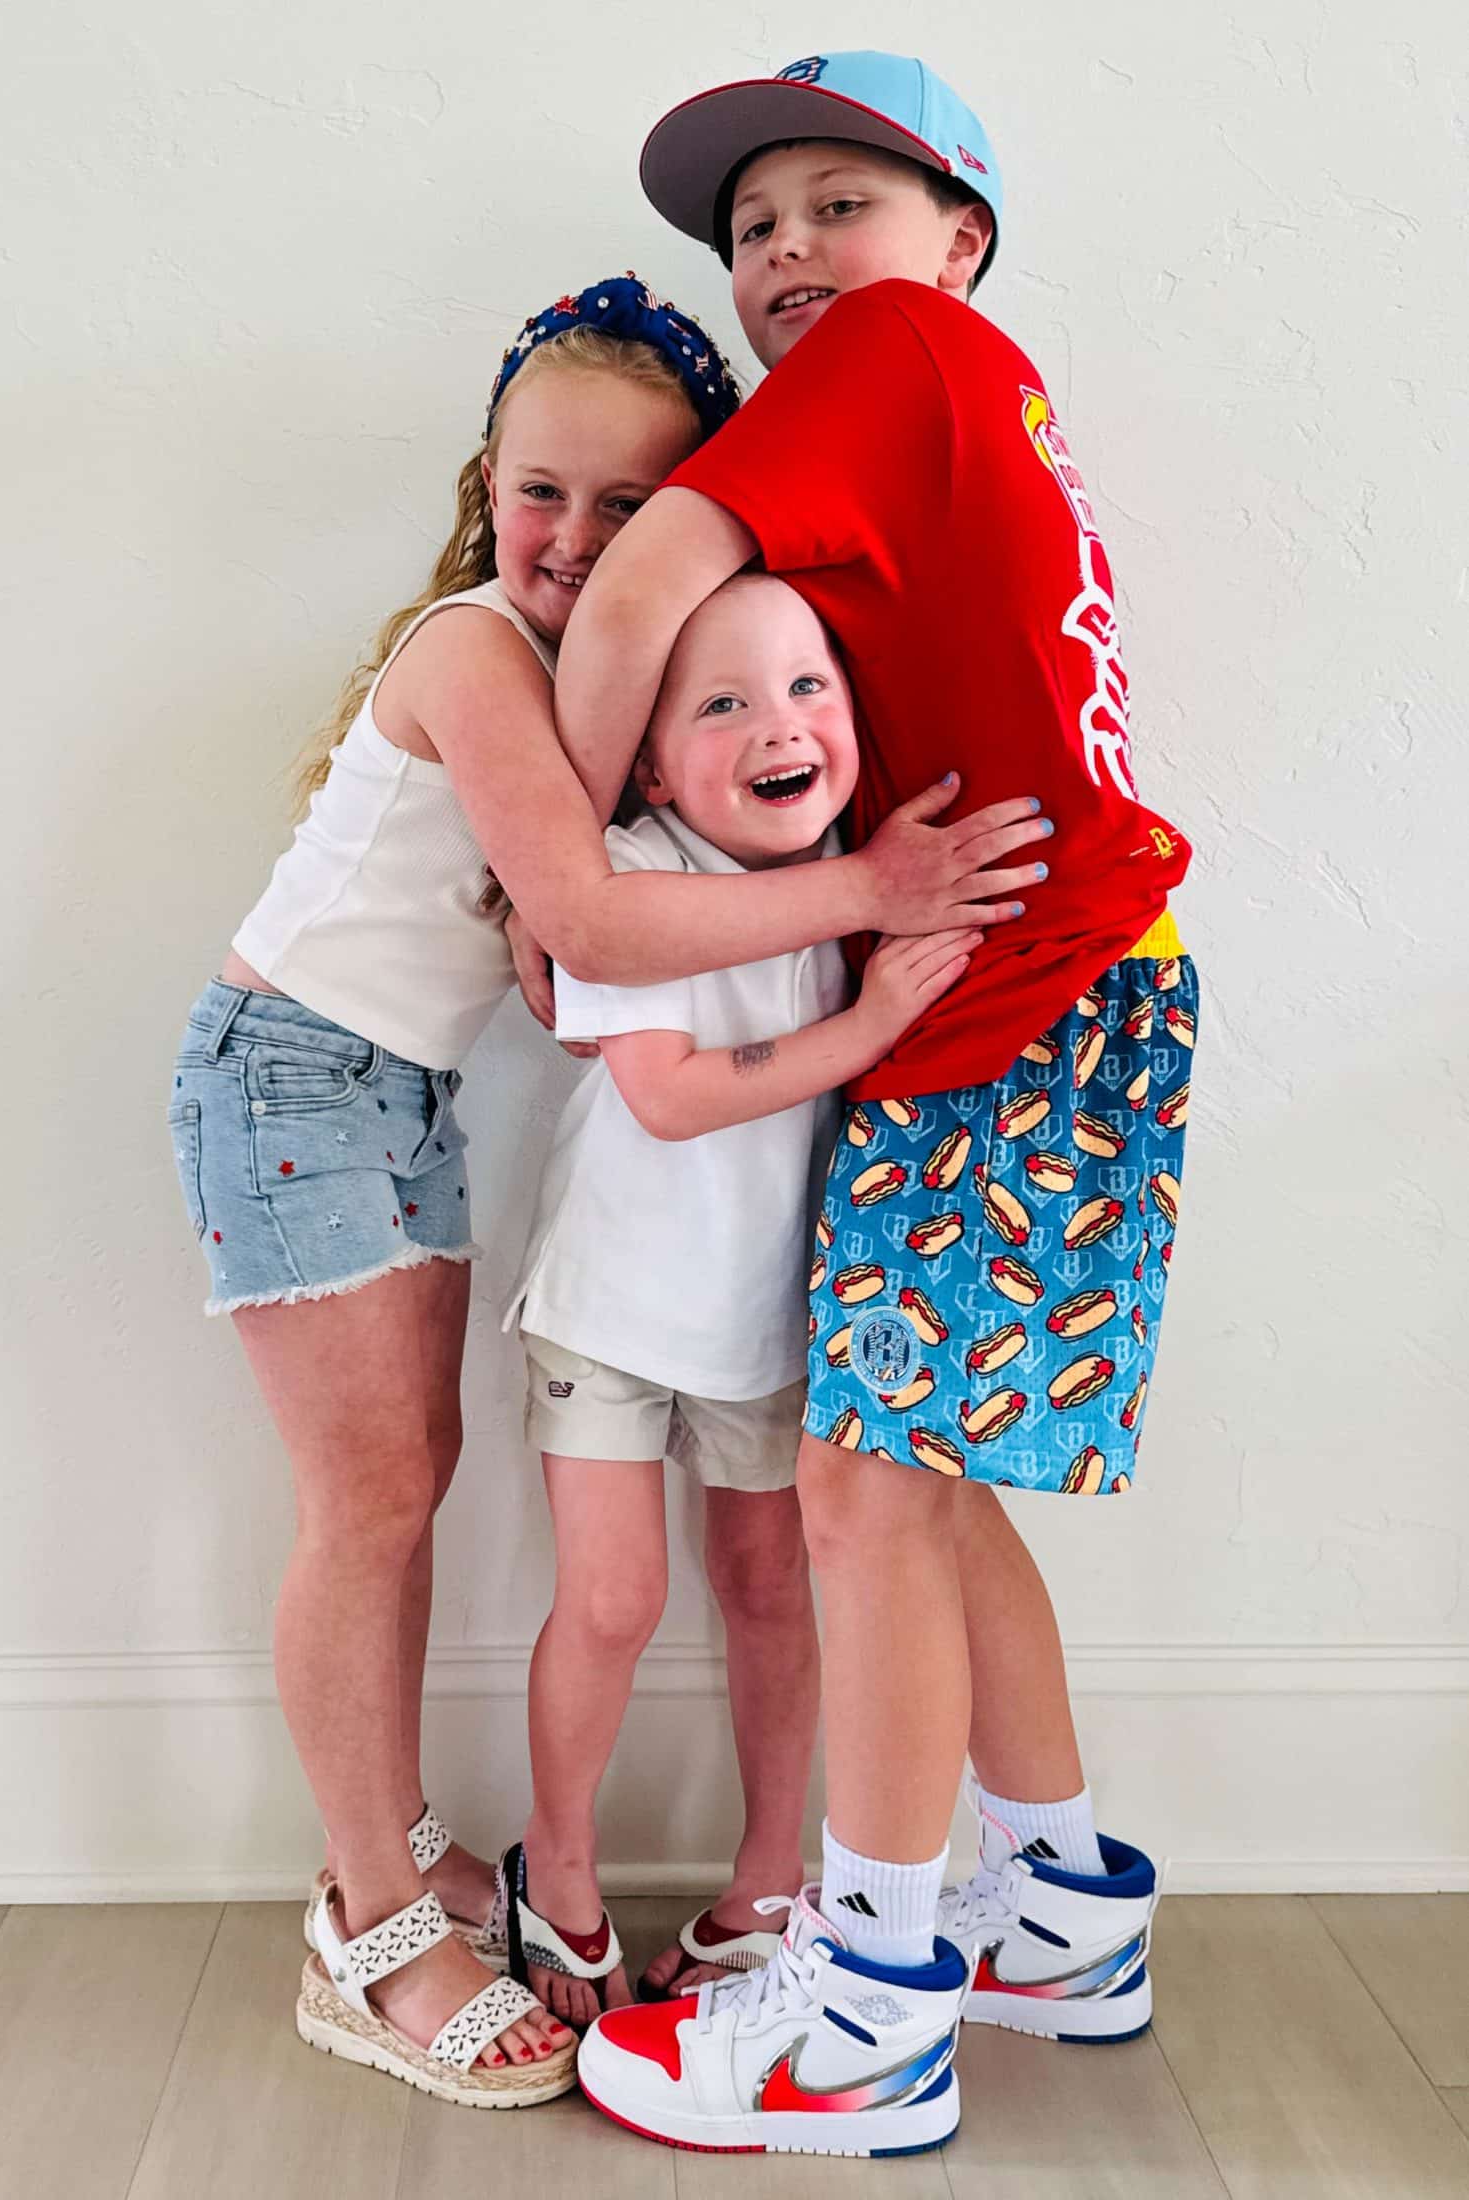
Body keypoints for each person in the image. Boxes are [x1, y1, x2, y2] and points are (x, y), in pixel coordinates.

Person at [167, 273, 1048, 2110]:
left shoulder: (608, 680)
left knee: (407, 1484)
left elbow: (598, 922)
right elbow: (583, 917)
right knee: (369, 1501)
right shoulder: (471, 651)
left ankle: (398, 1858)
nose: (572, 537)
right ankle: (369, 1924)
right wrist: (869, 897)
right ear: (482, 489)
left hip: (390, 1091)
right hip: (291, 1074)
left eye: (628, 505)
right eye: (538, 492)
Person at [552, 53, 1197, 2158]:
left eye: (842, 200)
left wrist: (567, 872)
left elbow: (634, 592)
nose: (786, 252)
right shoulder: (961, 406)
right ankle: (1057, 1904)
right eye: (753, 229)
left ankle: (870, 2011)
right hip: (1056, 980)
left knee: (868, 1491)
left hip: (1023, 984)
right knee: (923, 1478)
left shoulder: (895, 354)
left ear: (959, 242)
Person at [499, 572, 979, 2029]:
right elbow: (670, 1097)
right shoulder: (625, 881)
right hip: (610, 1307)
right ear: (649, 765)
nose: (778, 726)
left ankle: (769, 1881)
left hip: (771, 1322)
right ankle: (558, 1868)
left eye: (806, 686)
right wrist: (870, 1022)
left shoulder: (864, 868)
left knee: (771, 1592)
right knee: (613, 1599)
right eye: (722, 704)